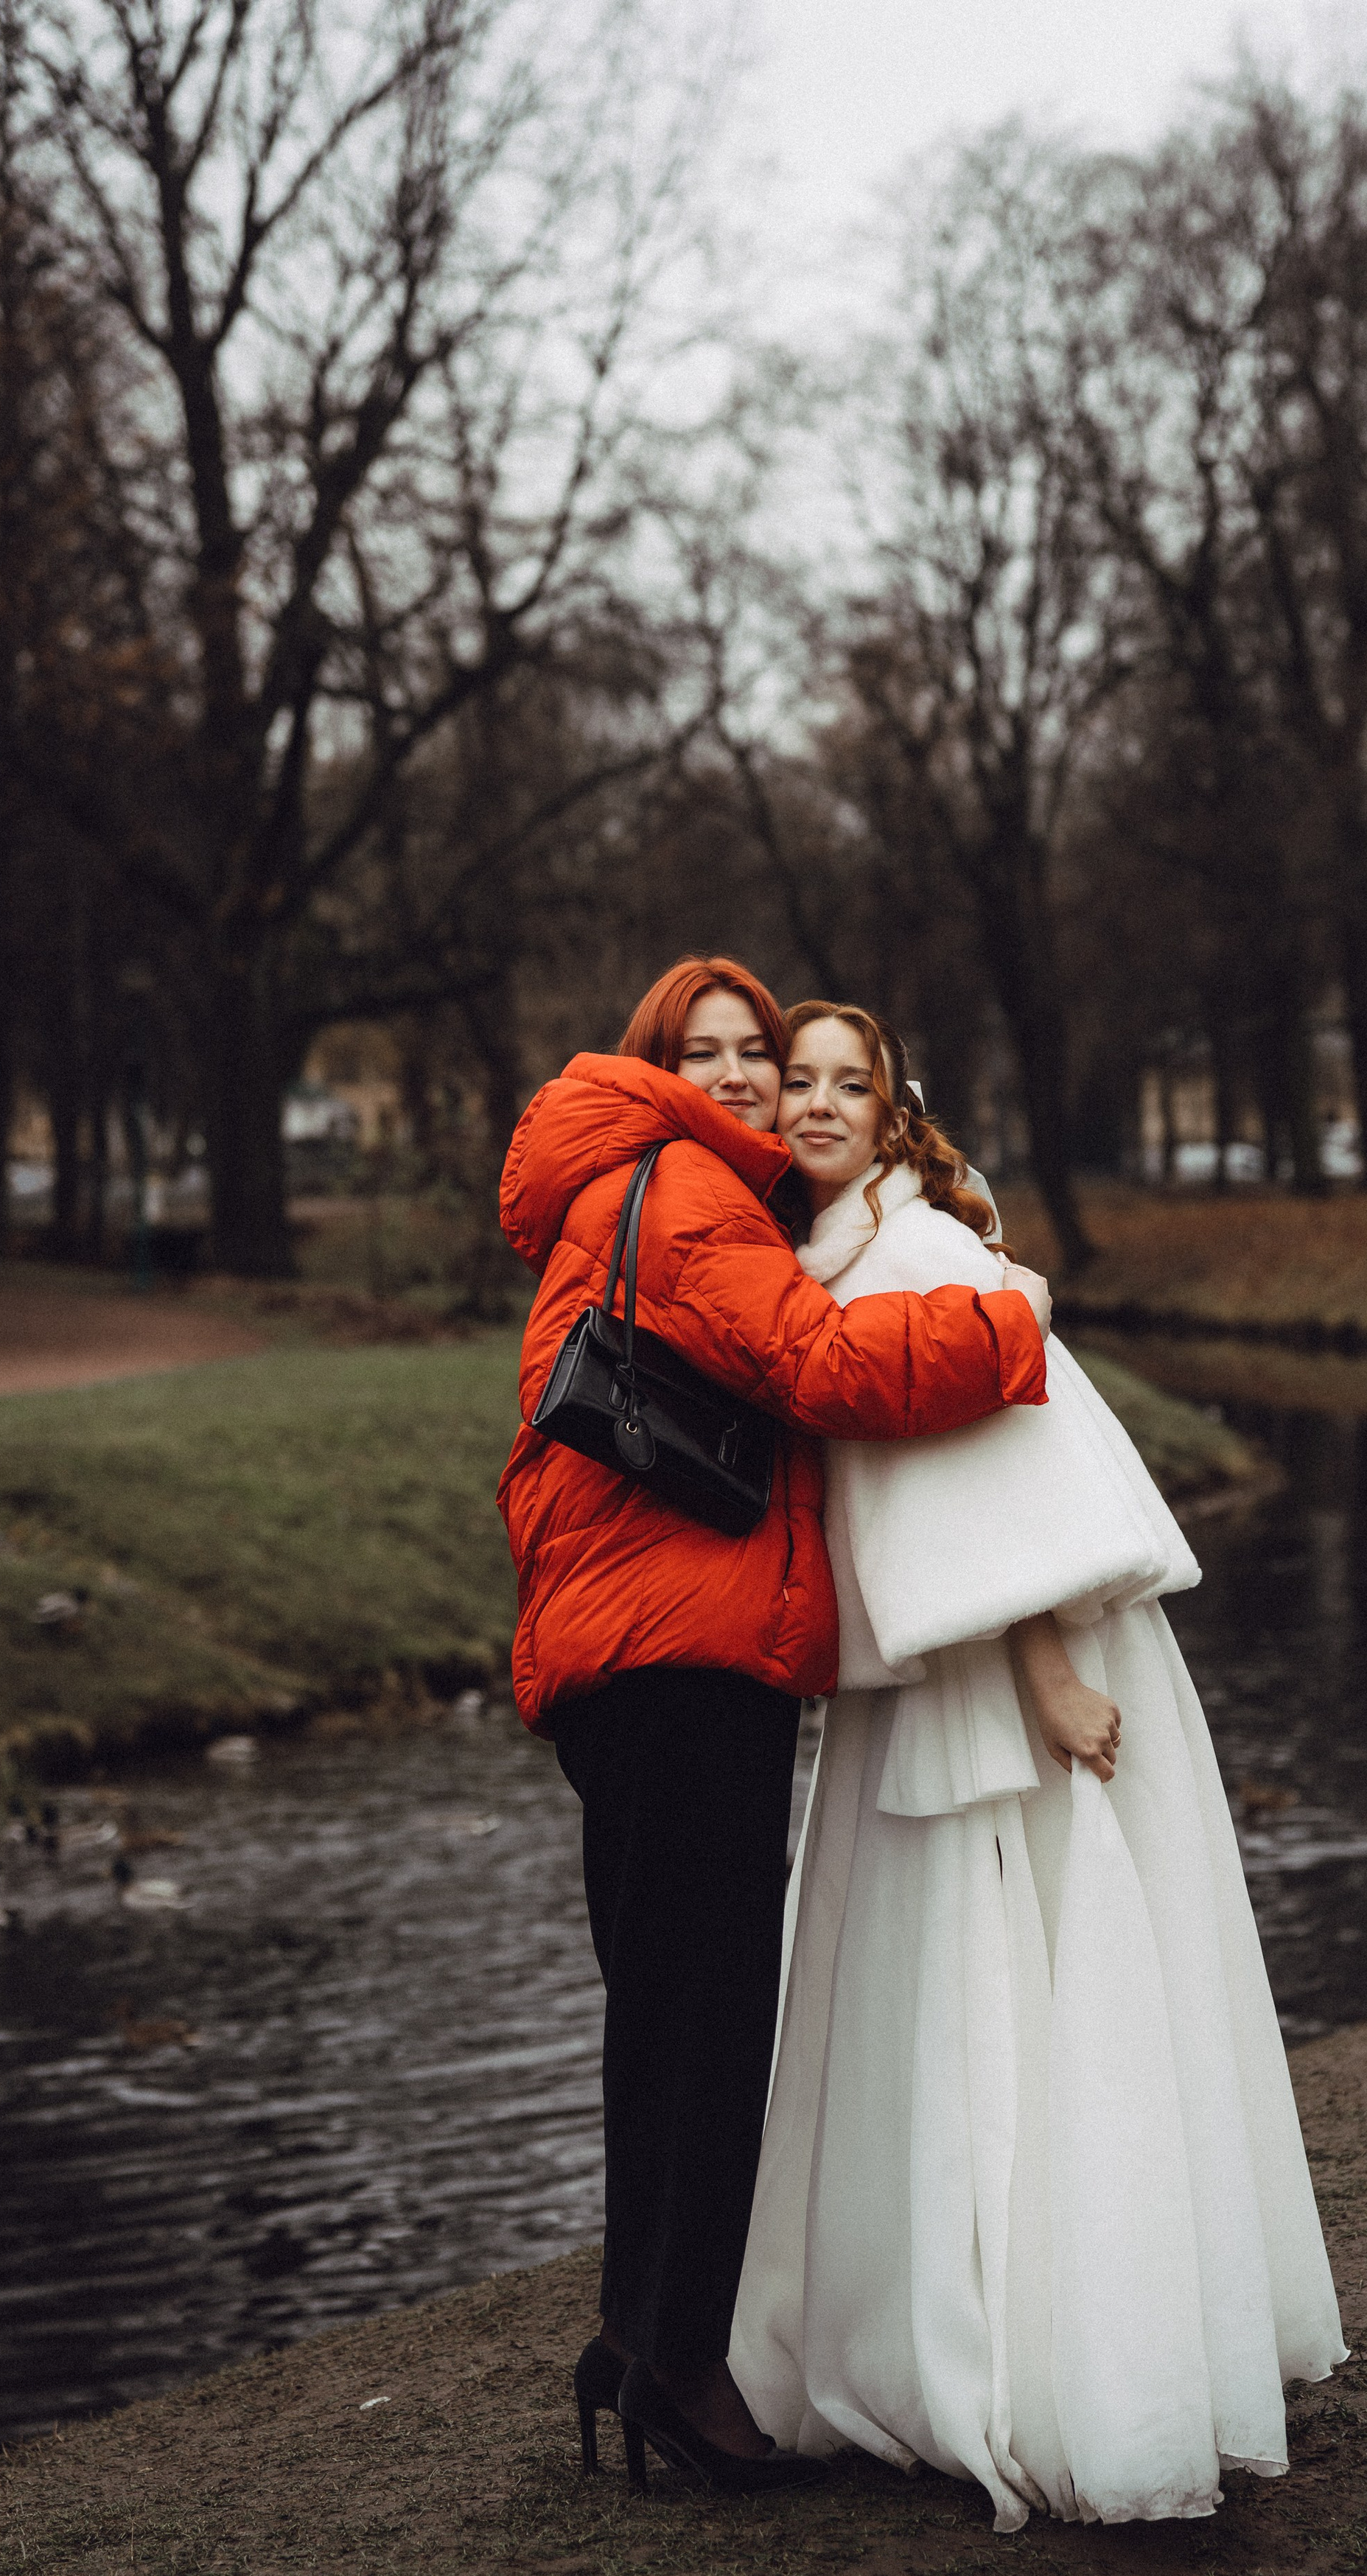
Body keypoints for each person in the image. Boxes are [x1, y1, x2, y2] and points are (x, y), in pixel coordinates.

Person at [731, 1003, 1346, 2530]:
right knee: (925, 2007)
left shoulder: (924, 1254)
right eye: (792, 1082)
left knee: (1033, 1988)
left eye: (843, 1085)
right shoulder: (829, 1259)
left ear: (889, 1108)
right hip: (934, 1671)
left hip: (1016, 1664)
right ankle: (943, 2331)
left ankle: (1066, 2354)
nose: (811, 1105)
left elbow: (1000, 1475)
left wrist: (1051, 1674)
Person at [496, 958, 1056, 2497]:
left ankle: (641, 2345)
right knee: (708, 2017)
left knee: (667, 2012)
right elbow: (818, 1366)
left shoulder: (634, 1174)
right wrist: (1006, 1326)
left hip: (646, 1649)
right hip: (678, 1656)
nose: (746, 1075)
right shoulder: (682, 1187)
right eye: (711, 1050)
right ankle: (677, 2371)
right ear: (657, 1063)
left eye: (761, 1050)